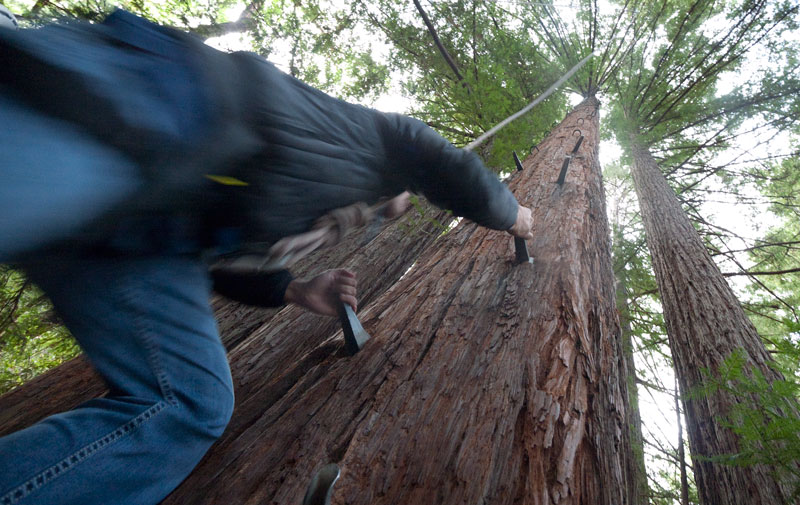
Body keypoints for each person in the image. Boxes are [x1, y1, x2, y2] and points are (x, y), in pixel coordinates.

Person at [0, 9, 534, 505]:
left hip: (140, 239)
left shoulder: (320, 204)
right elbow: (445, 164)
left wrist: (291, 290)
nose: (395, 211)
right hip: (124, 116)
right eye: (396, 202)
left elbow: (221, 259)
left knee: (190, 402)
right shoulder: (374, 140)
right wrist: (513, 215)